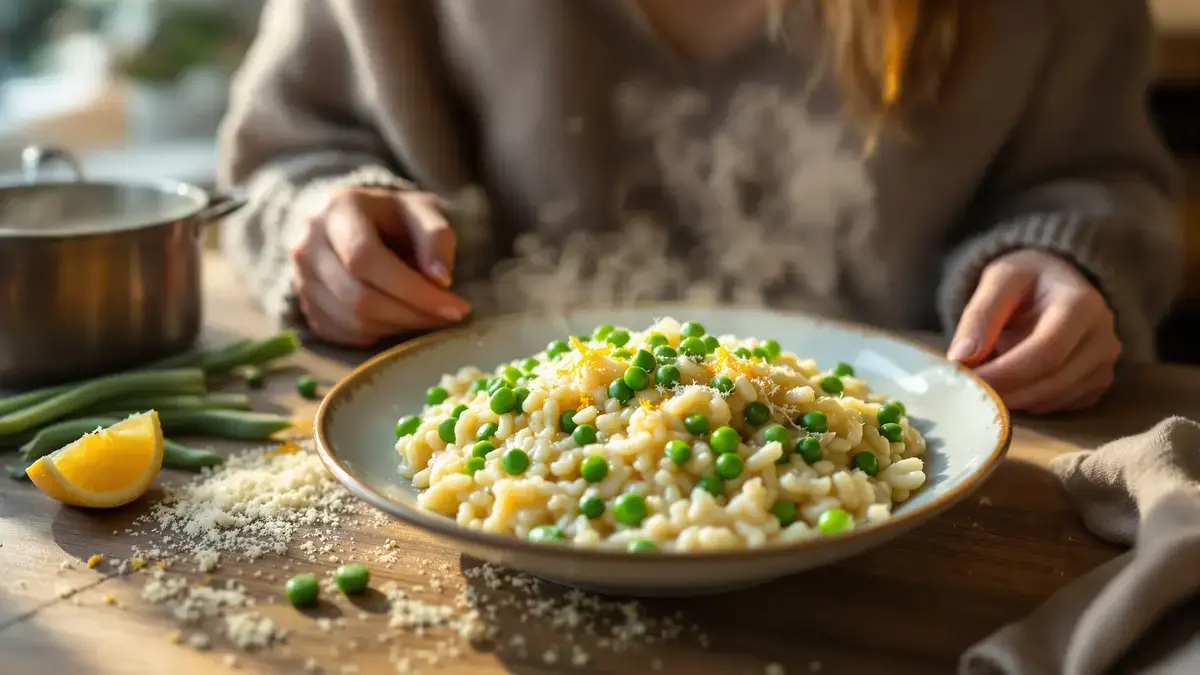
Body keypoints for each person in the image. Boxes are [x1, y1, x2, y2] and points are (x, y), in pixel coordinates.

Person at [217, 0, 1182, 415]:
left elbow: (1099, 180)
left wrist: (1066, 260)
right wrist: (328, 224)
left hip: (932, 488)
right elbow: (279, 166)